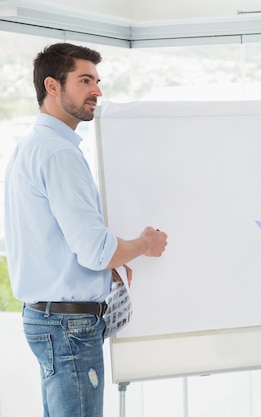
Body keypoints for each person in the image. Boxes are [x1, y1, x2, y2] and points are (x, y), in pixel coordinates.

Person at [4, 42, 168, 417]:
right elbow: (97, 252)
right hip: (69, 327)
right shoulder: (60, 154)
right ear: (52, 86)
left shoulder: (29, 147)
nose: (97, 90)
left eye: (96, 80)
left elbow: (49, 240)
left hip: (47, 318)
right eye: (85, 80)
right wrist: (143, 243)